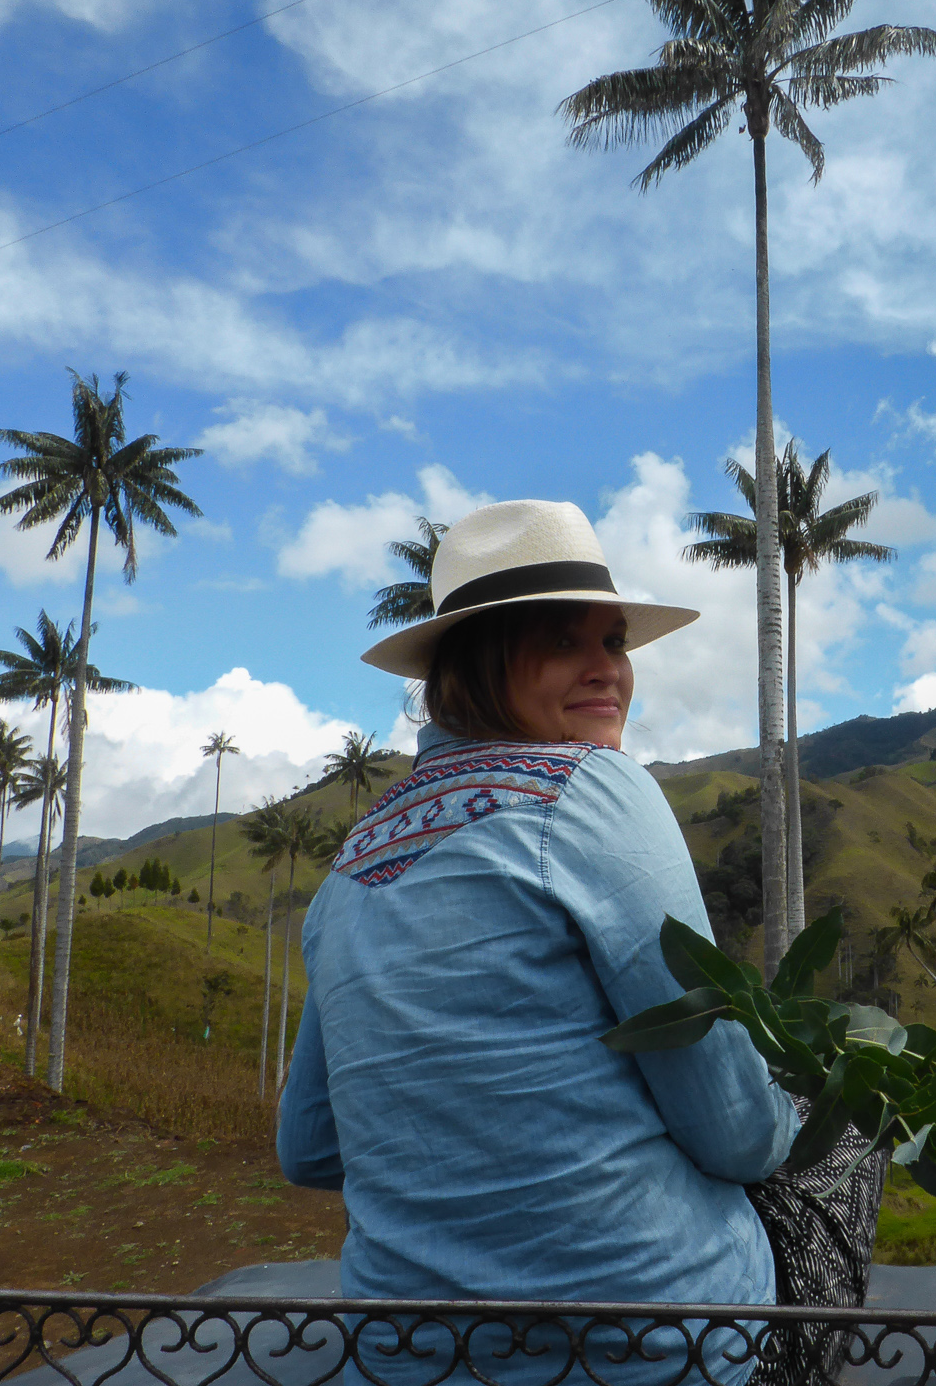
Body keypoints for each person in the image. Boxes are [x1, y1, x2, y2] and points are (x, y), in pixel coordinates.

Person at [277, 499, 810, 1382]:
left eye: (615, 643)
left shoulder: (350, 866)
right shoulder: (591, 788)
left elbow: (310, 1149)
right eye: (565, 642)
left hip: (403, 1351)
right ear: (484, 660)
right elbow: (730, 1129)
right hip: (640, 1344)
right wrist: (795, 1109)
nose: (607, 671)